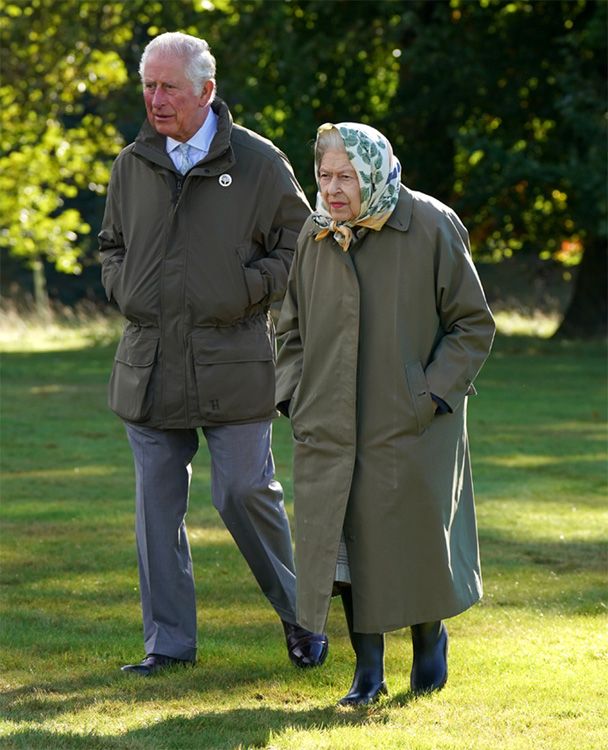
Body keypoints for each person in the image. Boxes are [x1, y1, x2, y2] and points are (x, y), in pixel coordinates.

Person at [98, 31, 328, 676]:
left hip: (233, 359)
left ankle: (303, 616)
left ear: (206, 90)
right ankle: (168, 646)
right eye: (148, 85)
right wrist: (124, 287)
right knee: (155, 513)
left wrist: (245, 289)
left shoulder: (258, 162)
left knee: (243, 491)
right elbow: (110, 245)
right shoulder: (131, 162)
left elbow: (300, 246)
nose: (155, 98)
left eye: (168, 86)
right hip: (148, 365)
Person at [275, 122, 495, 705]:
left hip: (411, 422)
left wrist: (428, 396)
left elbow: (472, 325)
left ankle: (429, 643)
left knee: (416, 539)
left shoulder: (430, 223)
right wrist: (294, 393)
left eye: (346, 175)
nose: (333, 189)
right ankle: (366, 673)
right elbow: (289, 325)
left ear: (373, 169)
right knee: (342, 546)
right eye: (325, 175)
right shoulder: (315, 232)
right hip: (328, 421)